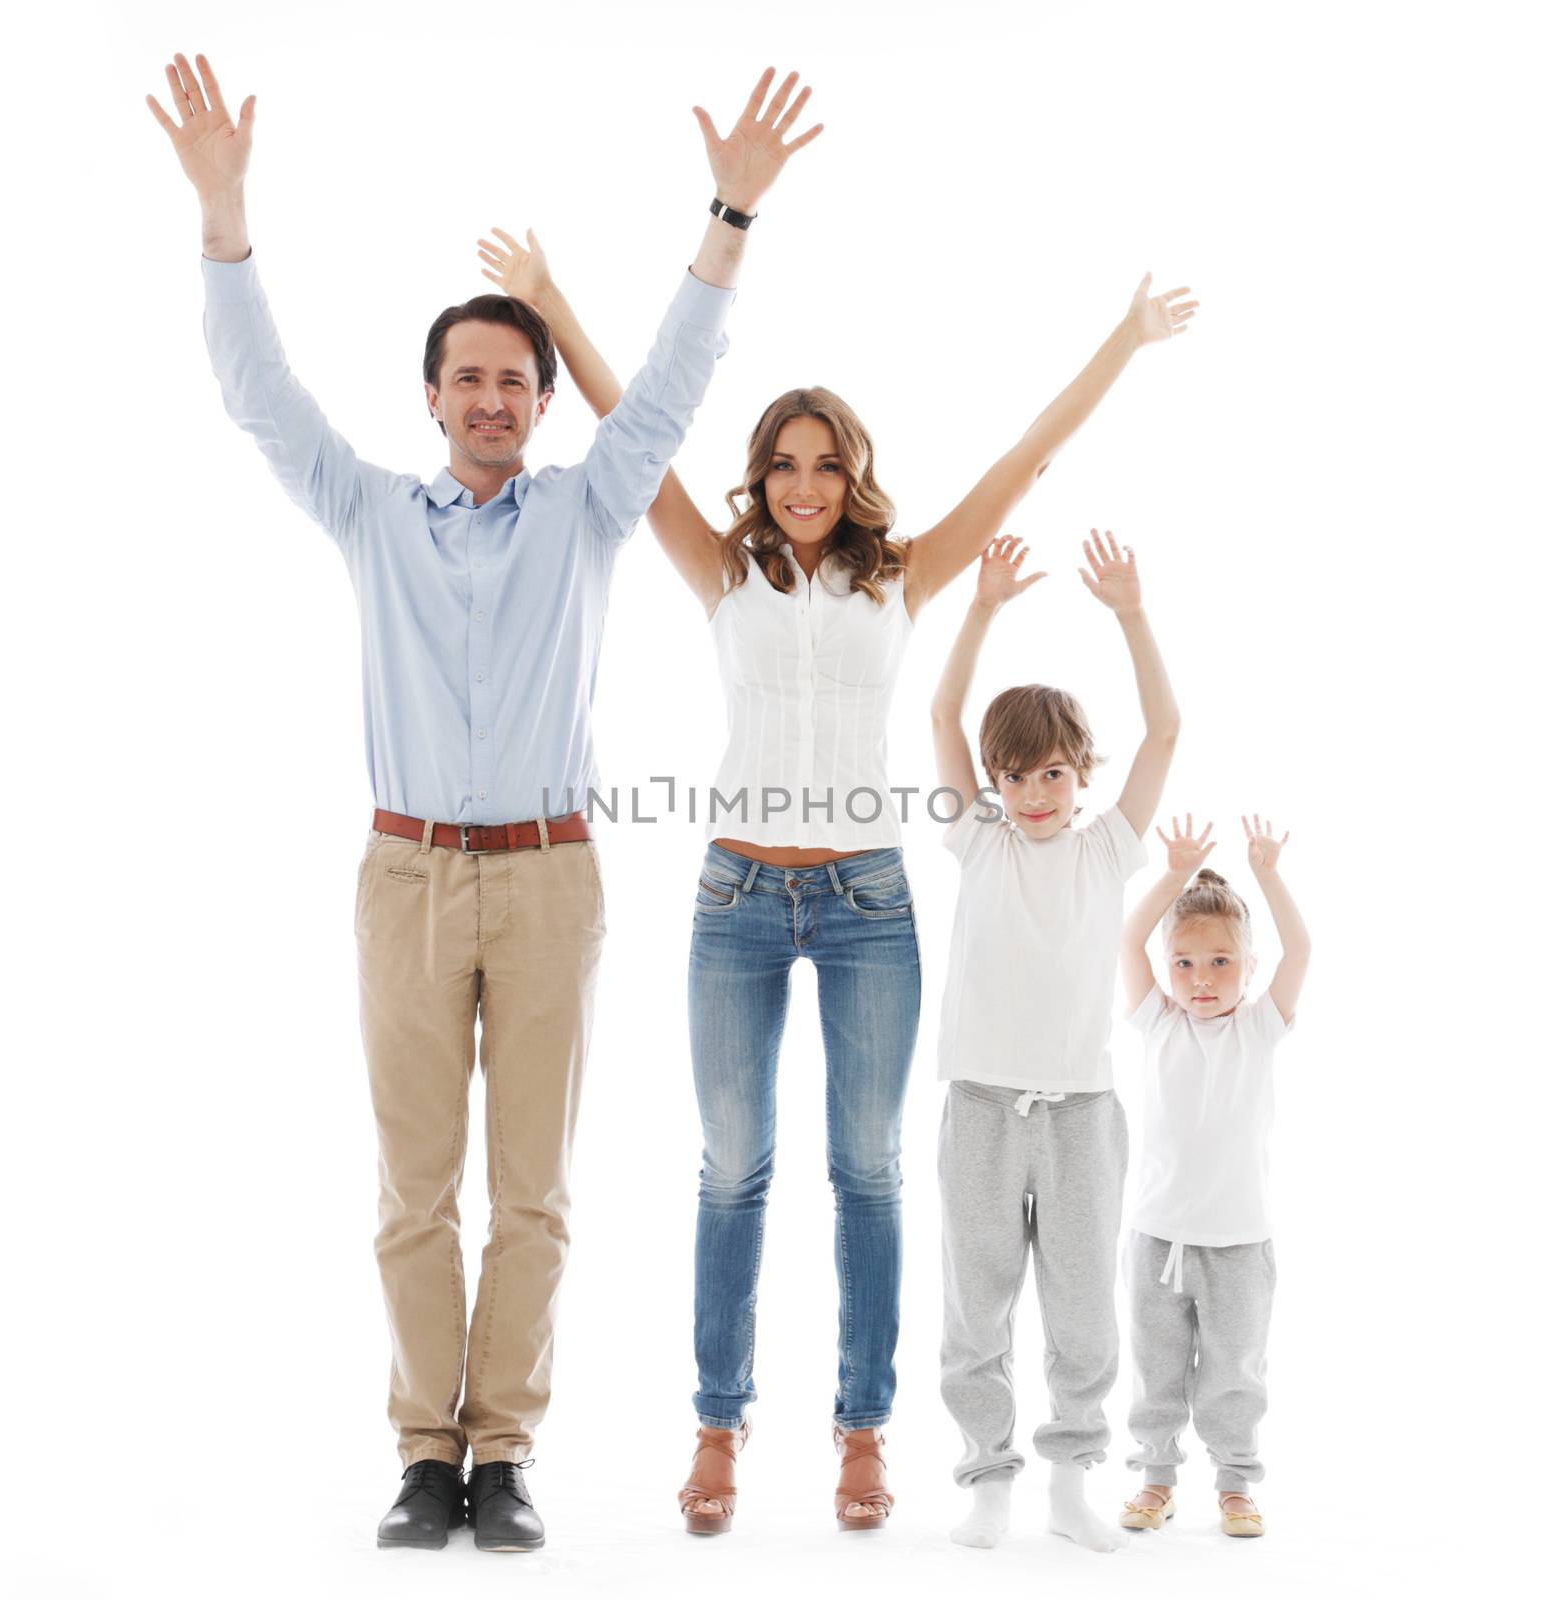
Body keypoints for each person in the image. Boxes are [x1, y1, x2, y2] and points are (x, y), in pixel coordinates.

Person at [145, 50, 821, 1553]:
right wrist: (223, 213)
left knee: (534, 1194)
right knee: (411, 1190)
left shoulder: (587, 508)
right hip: (404, 877)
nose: (496, 398)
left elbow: (675, 383)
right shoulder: (370, 510)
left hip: (547, 878)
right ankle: (422, 1453)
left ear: (536, 399)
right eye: (471, 378)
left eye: (517, 379)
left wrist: (729, 215)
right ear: (436, 397)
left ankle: (501, 1452)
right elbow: (258, 396)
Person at [476, 231, 1195, 1532]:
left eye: (826, 461)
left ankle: (864, 1435)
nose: (804, 482)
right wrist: (554, 307)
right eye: (783, 463)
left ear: (854, 475)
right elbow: (633, 431)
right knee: (732, 1167)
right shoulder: (723, 567)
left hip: (868, 899)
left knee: (866, 1171)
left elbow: (1025, 457)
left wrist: (1127, 342)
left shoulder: (905, 573)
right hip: (738, 896)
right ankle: (716, 1429)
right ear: (763, 478)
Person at [929, 532, 1178, 1553]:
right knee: (975, 1302)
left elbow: (1166, 730)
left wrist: (1128, 613)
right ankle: (988, 1478)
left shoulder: (1107, 850)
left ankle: (1072, 1477)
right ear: (995, 780)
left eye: (1054, 775)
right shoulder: (978, 838)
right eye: (1017, 776)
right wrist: (981, 607)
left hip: (1080, 1111)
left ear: (1080, 775)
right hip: (981, 1103)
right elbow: (940, 713)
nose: (1035, 794)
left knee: (1081, 1307)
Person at [1115, 814, 1309, 1538]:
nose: (1201, 979)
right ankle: (1156, 1478)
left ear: (1248, 967)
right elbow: (1127, 939)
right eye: (1186, 963)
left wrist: (1268, 873)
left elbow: (1303, 948)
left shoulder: (1259, 1028)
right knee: (1157, 1372)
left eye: (1221, 962)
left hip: (1238, 1244)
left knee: (1234, 1374)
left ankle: (1235, 1484)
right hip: (1157, 1239)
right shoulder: (1159, 1024)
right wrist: (1171, 874)